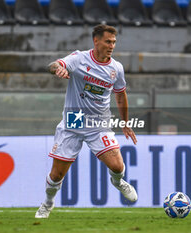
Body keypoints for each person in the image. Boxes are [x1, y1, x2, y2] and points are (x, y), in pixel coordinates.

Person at [35, 24, 138, 219]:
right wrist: (58, 70)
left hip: (98, 123)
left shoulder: (116, 68)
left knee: (117, 166)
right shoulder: (79, 59)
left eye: (114, 42)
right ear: (96, 41)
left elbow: (121, 95)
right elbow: (54, 65)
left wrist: (126, 122)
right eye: (108, 41)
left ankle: (118, 182)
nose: (112, 46)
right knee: (56, 175)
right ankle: (48, 203)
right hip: (74, 121)